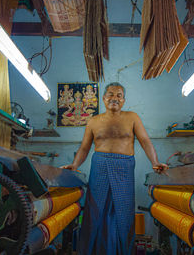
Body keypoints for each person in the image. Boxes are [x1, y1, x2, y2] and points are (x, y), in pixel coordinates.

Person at [61, 82, 168, 255]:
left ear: (124, 100)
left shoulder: (132, 117)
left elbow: (145, 141)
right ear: (103, 99)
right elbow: (84, 148)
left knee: (124, 213)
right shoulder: (93, 121)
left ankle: (122, 251)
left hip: (124, 167)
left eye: (119, 95)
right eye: (110, 94)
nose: (114, 98)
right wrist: (75, 165)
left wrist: (155, 162)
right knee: (95, 211)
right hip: (100, 165)